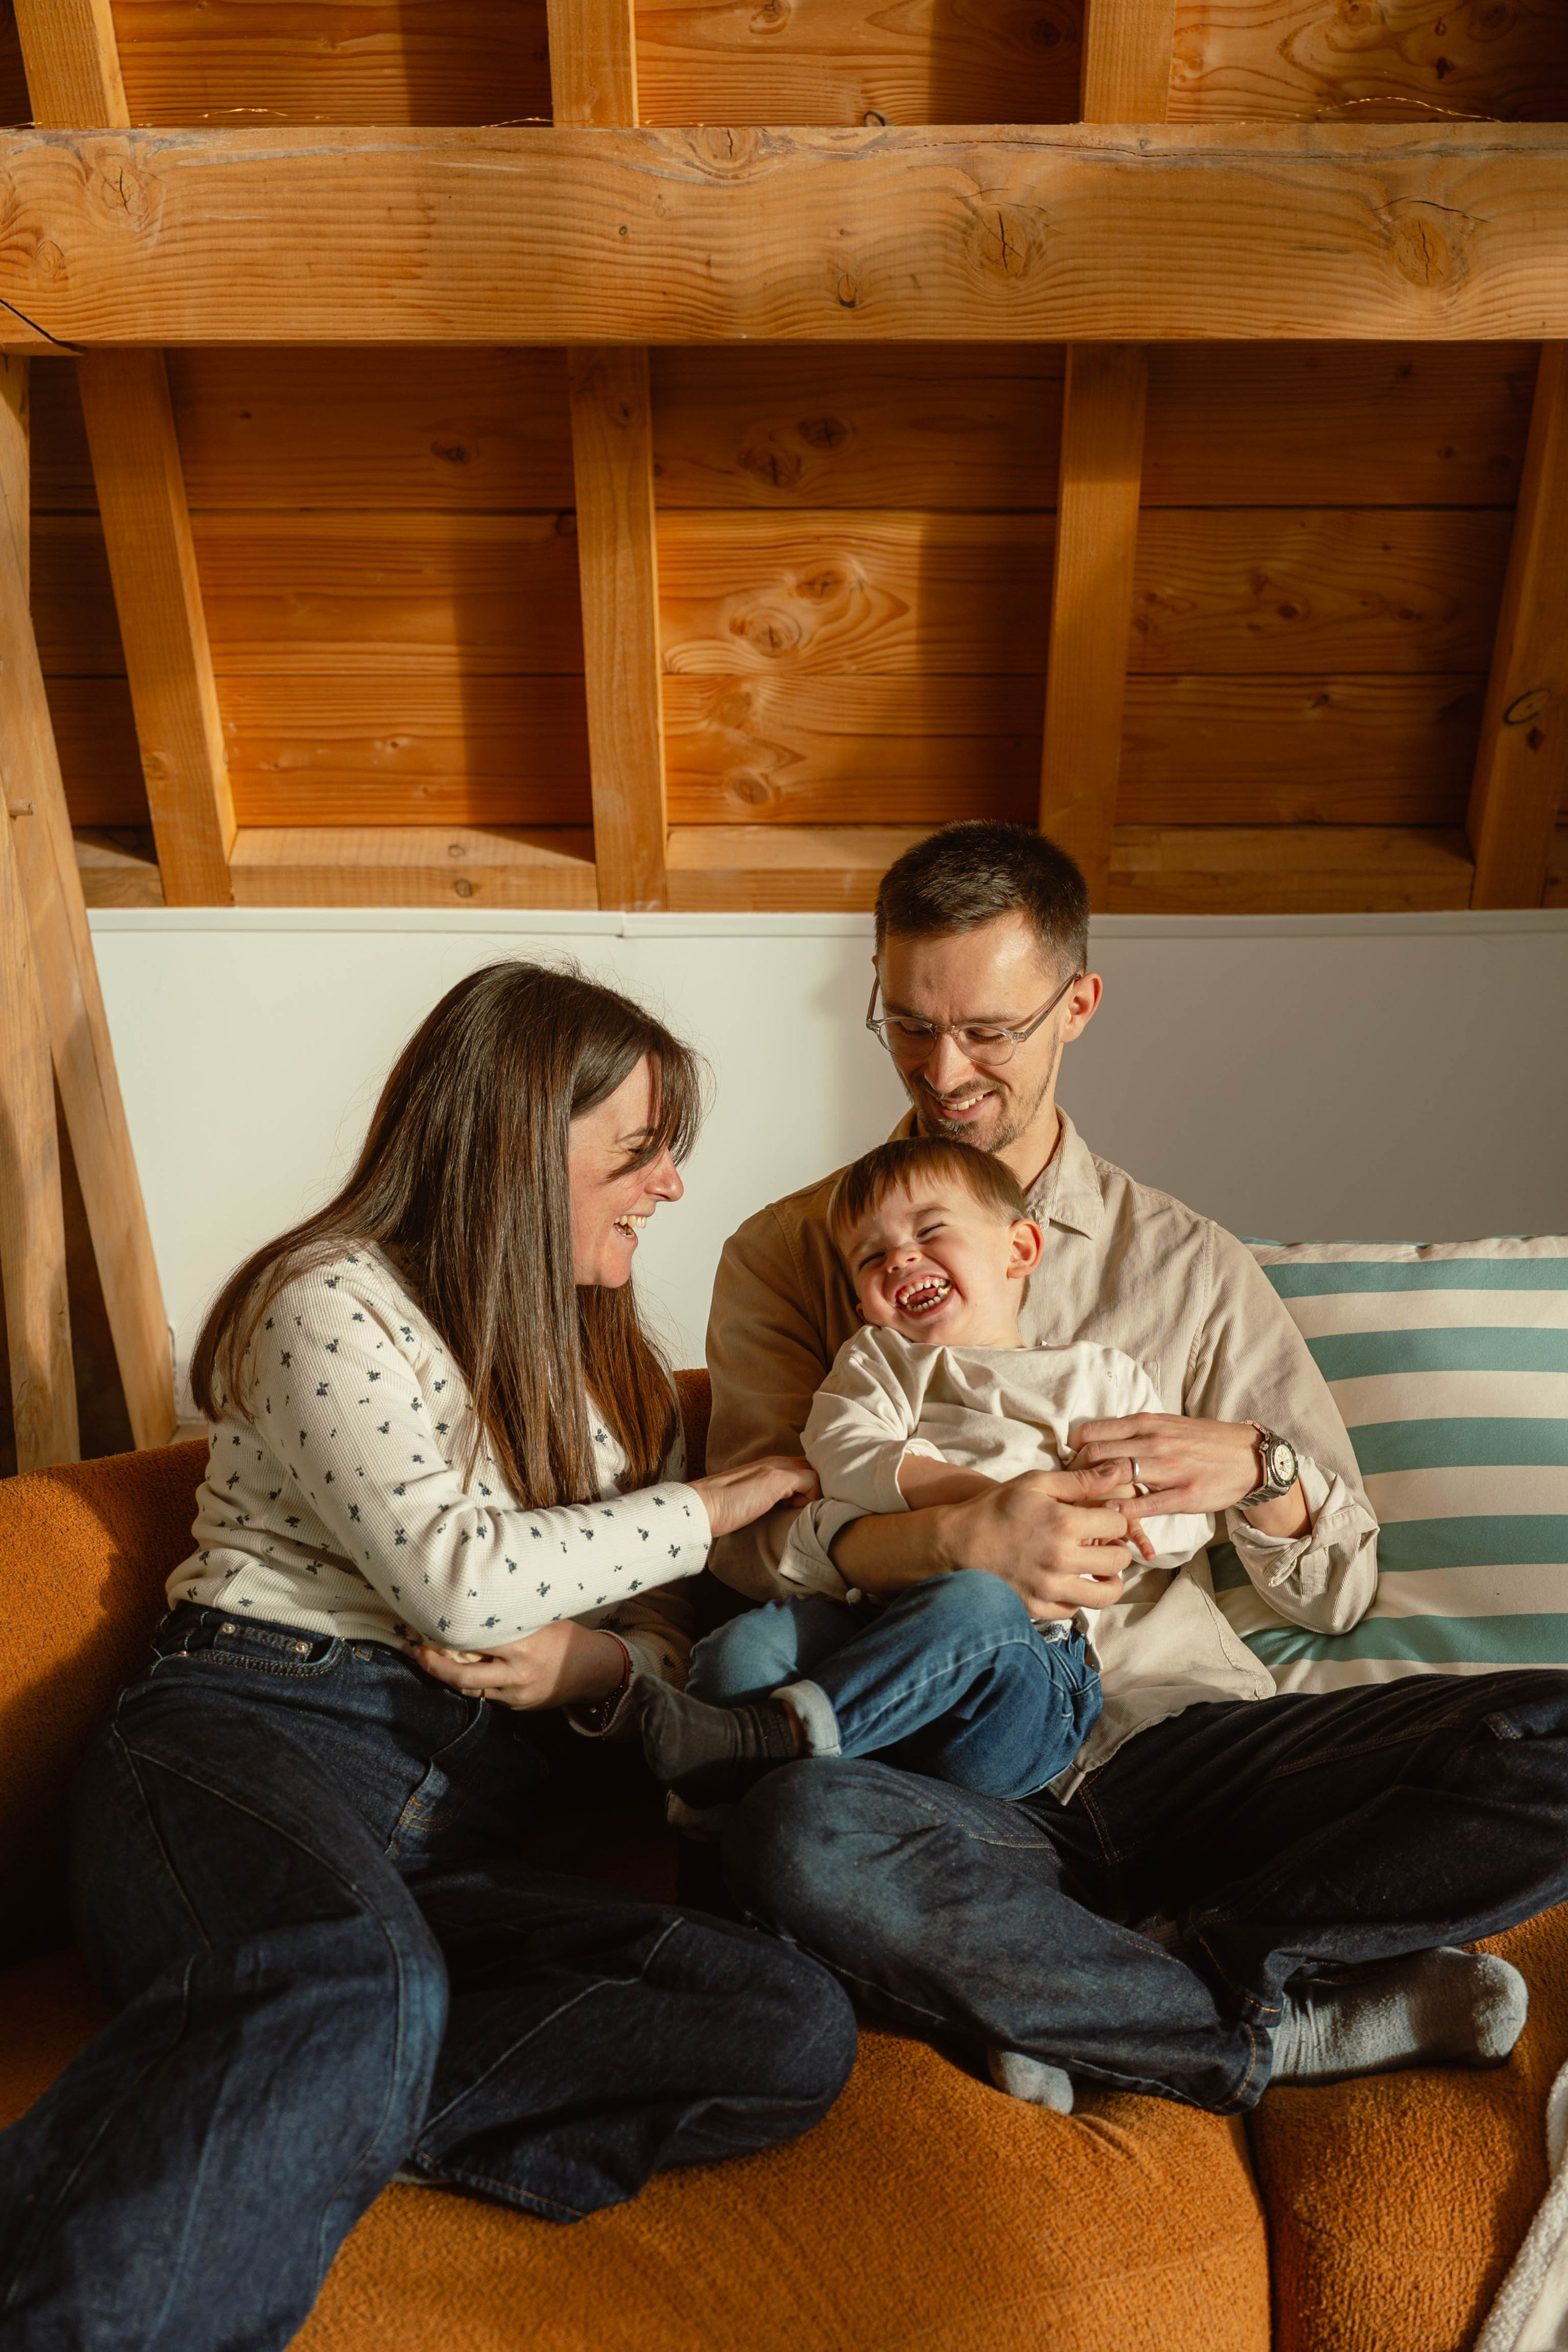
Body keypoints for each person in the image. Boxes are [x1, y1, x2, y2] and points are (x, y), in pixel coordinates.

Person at [0, 962, 856, 2352]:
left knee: (781, 2018)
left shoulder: (607, 1366)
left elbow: (654, 1632)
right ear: (521, 1144)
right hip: (247, 1739)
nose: (670, 1185)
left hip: (445, 1825)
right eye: (639, 1151)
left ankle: (303, 2093)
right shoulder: (326, 1298)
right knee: (361, 1972)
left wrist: (587, 1664)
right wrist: (717, 1498)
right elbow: (460, 1581)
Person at [706, 821, 1546, 2116]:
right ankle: (1269, 2023)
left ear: (1075, 1004)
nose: (944, 1070)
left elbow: (1337, 1590)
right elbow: (749, 1544)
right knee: (787, 1832)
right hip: (958, 1788)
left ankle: (1164, 1977)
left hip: (1188, 1748)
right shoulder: (791, 1252)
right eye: (907, 1027)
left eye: (986, 1029)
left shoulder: (1191, 1269)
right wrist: (955, 1539)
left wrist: (1258, 1467)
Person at [634, 1134, 1208, 1822]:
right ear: (863, 1300)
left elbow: (1179, 1515)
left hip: (1027, 1673)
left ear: (1019, 1249)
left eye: (930, 1231)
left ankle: (776, 1739)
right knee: (741, 1651)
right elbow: (842, 1453)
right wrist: (980, 1502)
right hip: (870, 1625)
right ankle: (716, 1810)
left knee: (975, 1602)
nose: (901, 1258)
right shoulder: (881, 1360)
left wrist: (1120, 1518)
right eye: (871, 1256)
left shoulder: (1096, 1376)